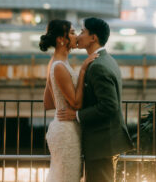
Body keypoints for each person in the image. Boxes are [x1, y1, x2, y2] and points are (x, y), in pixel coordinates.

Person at [58, 17, 133, 182]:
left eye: (83, 31)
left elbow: (109, 105)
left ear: (94, 37)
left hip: (101, 144)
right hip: (105, 142)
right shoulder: (106, 60)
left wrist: (77, 115)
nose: (78, 35)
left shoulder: (98, 66)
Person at [40, 19, 98, 182]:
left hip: (63, 128)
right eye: (72, 33)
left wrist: (61, 101)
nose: (76, 36)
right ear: (61, 39)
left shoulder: (55, 62)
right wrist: (83, 70)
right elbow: (76, 104)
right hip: (66, 132)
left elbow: (48, 102)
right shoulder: (59, 65)